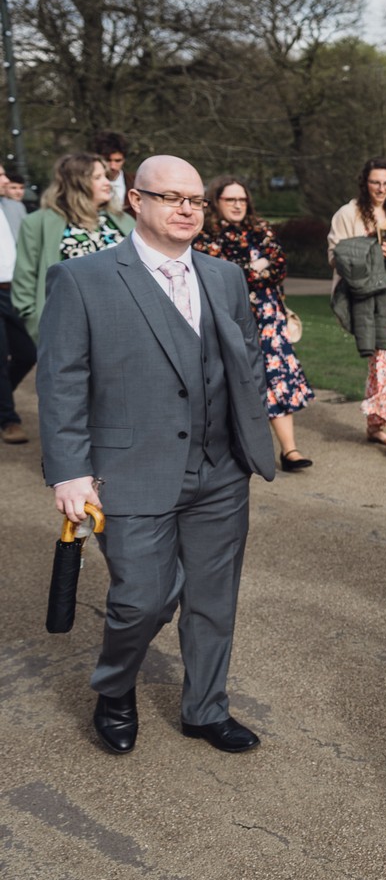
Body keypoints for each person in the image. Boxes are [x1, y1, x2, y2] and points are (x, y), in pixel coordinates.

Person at [36, 155, 277, 756]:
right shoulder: (83, 279)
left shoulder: (224, 277)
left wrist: (248, 438)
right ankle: (115, 688)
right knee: (141, 600)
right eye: (170, 197)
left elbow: (246, 359)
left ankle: (205, 709)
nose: (186, 208)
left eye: (194, 199)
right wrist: (70, 472)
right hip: (130, 471)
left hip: (221, 471)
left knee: (213, 601)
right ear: (135, 201)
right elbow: (61, 381)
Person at [195, 176, 315, 471]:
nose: (238, 205)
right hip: (231, 317)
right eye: (230, 199)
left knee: (277, 376)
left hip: (269, 316)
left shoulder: (261, 229)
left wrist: (247, 270)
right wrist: (256, 267)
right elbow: (222, 275)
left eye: (242, 199)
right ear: (216, 201)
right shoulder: (206, 235)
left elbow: (279, 265)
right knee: (234, 378)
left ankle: (290, 450)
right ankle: (236, 450)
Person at [328, 158, 386, 456]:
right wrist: (366, 249)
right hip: (365, 296)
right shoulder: (348, 214)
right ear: (364, 183)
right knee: (380, 360)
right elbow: (334, 256)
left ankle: (383, 427)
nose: (381, 188)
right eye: (375, 182)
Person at [12, 153, 136, 340]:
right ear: (76, 182)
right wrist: (40, 329)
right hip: (69, 329)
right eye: (97, 177)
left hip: (126, 325)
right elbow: (24, 284)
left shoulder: (123, 220)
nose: (107, 183)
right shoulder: (37, 223)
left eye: (106, 176)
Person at [0, 167, 37, 445]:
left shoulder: (14, 207)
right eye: (0, 175)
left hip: (13, 291)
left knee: (27, 353)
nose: (5, 180)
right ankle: (8, 420)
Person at [90, 130, 130, 213]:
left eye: (118, 161)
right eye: (107, 160)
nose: (112, 166)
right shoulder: (88, 184)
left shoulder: (136, 183)